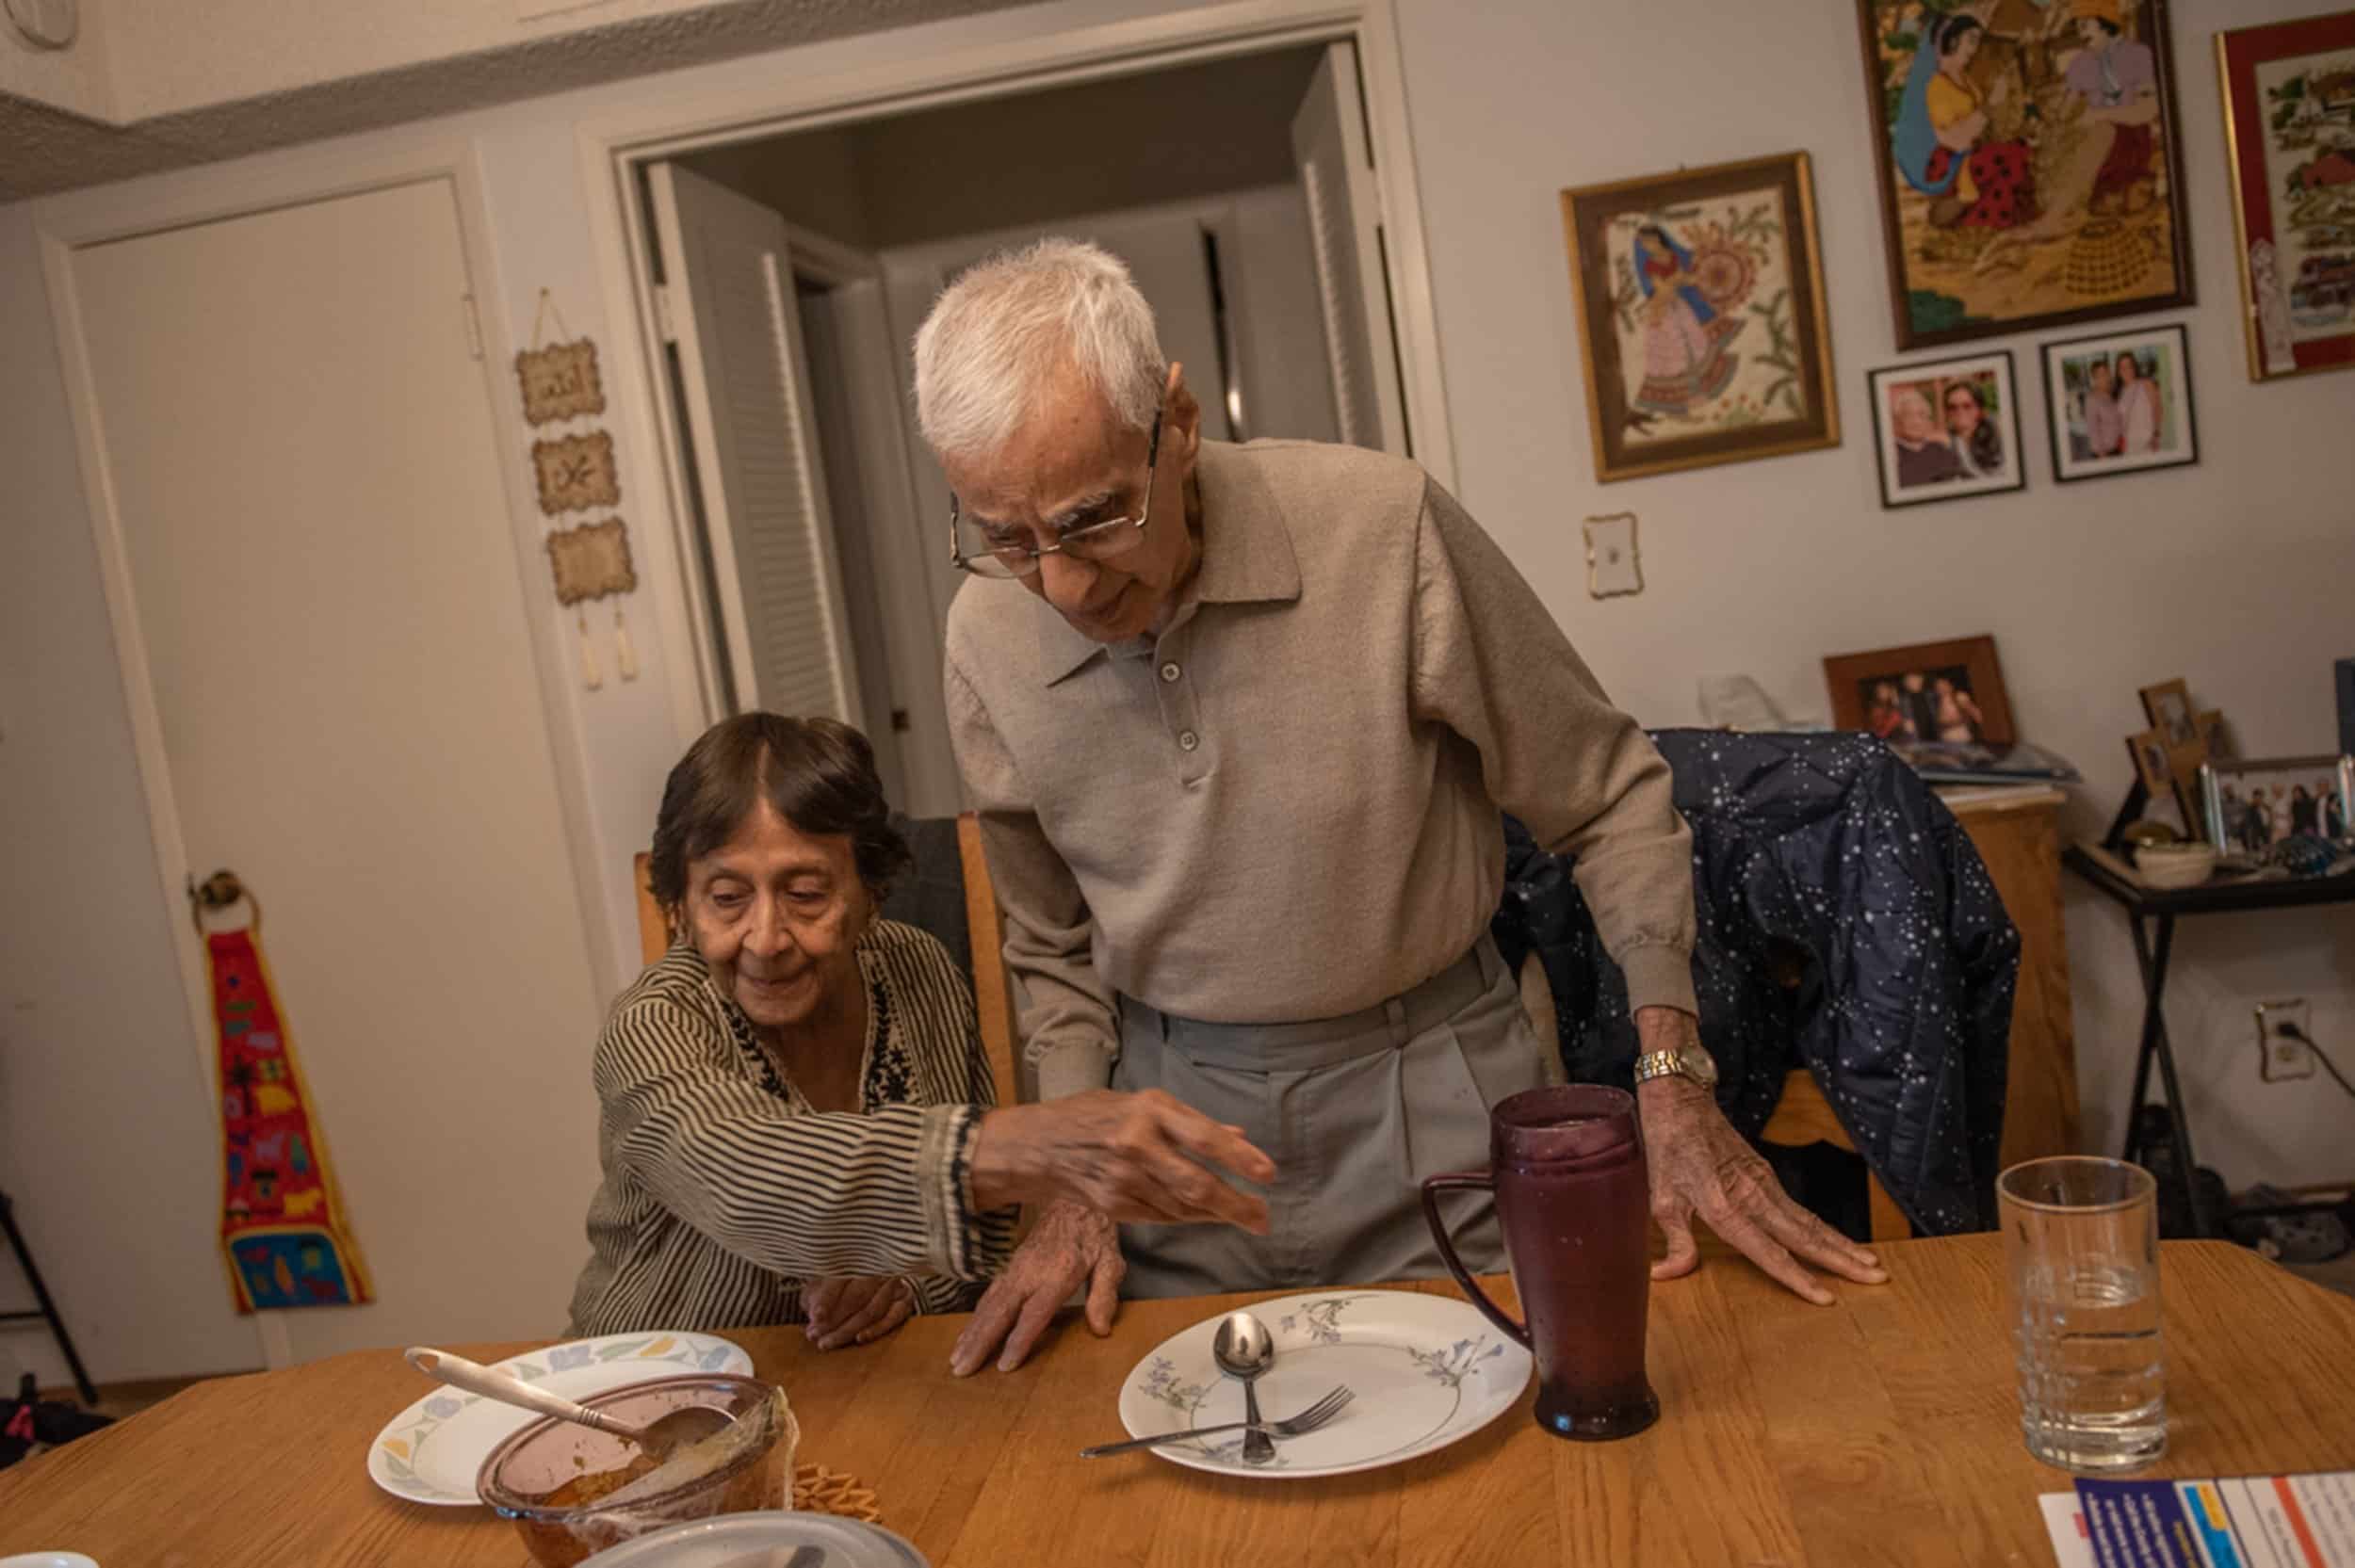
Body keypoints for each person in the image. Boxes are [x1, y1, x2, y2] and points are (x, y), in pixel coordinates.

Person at [918, 239, 1886, 1375]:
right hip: (1173, 1135)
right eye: (1006, 538)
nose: (1065, 587)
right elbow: (1048, 946)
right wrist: (1073, 1172)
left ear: (1174, 423)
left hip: (1435, 1094)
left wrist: (1671, 1082)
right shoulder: (984, 634)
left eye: (1094, 520)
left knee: (1523, 1452)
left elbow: (1607, 796)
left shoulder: (1383, 528)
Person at [567, 713, 1275, 1343]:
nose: (766, 936)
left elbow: (973, 1255)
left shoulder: (917, 969)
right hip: (636, 1399)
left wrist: (902, 1285)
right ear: (679, 910)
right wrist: (1035, 1144)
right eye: (727, 898)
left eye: (806, 893)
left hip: (868, 1387)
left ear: (869, 892)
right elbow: (750, 1177)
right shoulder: (651, 1027)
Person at [1893, 14, 2038, 230]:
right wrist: (1990, 105)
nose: (1975, 47)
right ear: (1952, 41)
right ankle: (1975, 220)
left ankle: (1986, 220)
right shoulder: (1936, 85)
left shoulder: (1966, 79)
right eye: (1970, 39)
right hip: (1950, 159)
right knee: (2014, 153)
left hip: (1973, 152)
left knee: (2018, 151)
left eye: (1978, 41)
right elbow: (1956, 139)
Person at [2055, 0, 2161, 218]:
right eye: (2077, 25)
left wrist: (2101, 114)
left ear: (2106, 20)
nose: (2080, 31)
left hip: (2130, 140)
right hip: (2092, 142)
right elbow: (2063, 115)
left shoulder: (2137, 56)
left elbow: (2150, 108)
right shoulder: (2080, 64)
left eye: (2086, 23)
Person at [1628, 224, 1742, 421]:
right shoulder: (1651, 265)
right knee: (1671, 360)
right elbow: (1661, 289)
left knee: (1694, 351)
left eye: (1648, 241)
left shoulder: (1671, 256)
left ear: (1658, 239)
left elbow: (1684, 279)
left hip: (1678, 308)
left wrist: (1693, 278)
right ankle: (1676, 411)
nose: (1646, 246)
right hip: (1661, 314)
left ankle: (1693, 398)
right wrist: (1676, 280)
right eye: (1643, 243)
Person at [1892, 387, 1966, 488]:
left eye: (1921, 415)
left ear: (1929, 422)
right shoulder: (1892, 455)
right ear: (1897, 421)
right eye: (1908, 415)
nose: (1916, 422)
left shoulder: (1942, 450)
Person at [1943, 379, 2005, 477]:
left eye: (1967, 406)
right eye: (1952, 407)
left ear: (1979, 408)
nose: (1959, 411)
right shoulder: (1947, 442)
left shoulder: (1999, 434)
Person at [2115, 349, 2162, 455]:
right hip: (2129, 445)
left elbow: (2158, 408)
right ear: (2118, 371)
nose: (2126, 370)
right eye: (2122, 368)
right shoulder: (2120, 392)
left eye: (2129, 366)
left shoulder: (2146, 383)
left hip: (2148, 442)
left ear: (2134, 367)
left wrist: (2156, 434)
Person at [2083, 359, 2123, 458]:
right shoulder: (2092, 399)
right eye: (2101, 375)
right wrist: (2102, 455)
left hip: (2118, 449)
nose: (2105, 377)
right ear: (2094, 378)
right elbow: (2093, 429)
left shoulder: (2111, 395)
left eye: (2107, 373)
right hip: (2104, 453)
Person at [1932, 676, 1986, 743]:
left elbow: (1975, 712)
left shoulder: (1959, 697)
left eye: (1943, 685)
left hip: (1962, 736)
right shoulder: (1935, 701)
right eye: (1938, 686)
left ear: (1950, 686)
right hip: (1946, 740)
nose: (1940, 688)